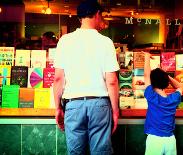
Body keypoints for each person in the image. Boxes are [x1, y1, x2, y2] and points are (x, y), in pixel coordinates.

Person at [53, 1, 120, 155]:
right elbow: (112, 81)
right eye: (101, 15)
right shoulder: (105, 42)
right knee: (101, 152)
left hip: (73, 105)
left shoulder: (65, 41)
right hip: (100, 105)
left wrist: (58, 108)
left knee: (76, 152)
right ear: (97, 14)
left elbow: (58, 79)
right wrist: (115, 111)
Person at [143, 52, 183, 155]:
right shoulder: (173, 99)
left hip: (154, 140)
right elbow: (180, 87)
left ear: (152, 82)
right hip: (170, 140)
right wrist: (166, 76)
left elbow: (146, 75)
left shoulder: (152, 97)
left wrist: (147, 57)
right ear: (166, 83)